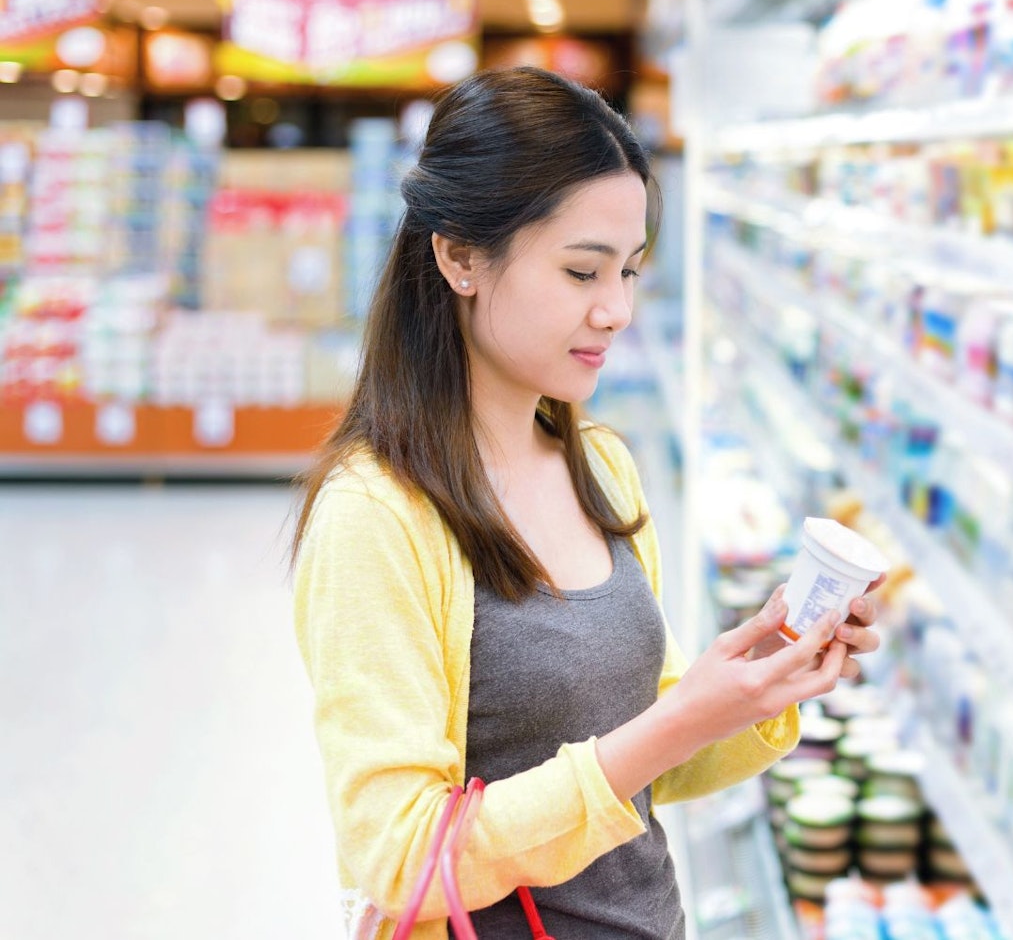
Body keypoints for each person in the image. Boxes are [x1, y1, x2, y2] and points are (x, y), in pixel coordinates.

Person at [290, 67, 882, 940]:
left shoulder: (597, 461)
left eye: (631, 271)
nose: (616, 310)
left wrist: (763, 679)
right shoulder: (377, 515)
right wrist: (678, 718)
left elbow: (639, 764)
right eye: (581, 271)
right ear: (458, 256)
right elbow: (400, 856)